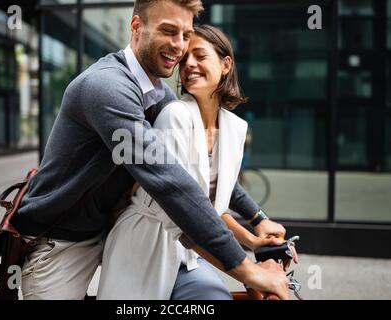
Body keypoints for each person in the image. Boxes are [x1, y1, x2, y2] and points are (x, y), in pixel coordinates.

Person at [13, 0, 289, 300]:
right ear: (136, 27)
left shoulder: (160, 97)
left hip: (108, 227)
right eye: (168, 31)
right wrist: (248, 269)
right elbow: (169, 181)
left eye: (186, 34)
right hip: (59, 239)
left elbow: (198, 167)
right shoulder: (107, 86)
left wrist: (258, 218)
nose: (179, 46)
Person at [97, 25, 295, 300]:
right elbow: (182, 207)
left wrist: (256, 235)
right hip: (146, 245)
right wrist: (249, 261)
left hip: (190, 254)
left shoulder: (235, 128)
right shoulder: (174, 115)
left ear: (226, 65)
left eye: (200, 56)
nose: (189, 64)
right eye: (185, 58)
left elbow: (210, 206)